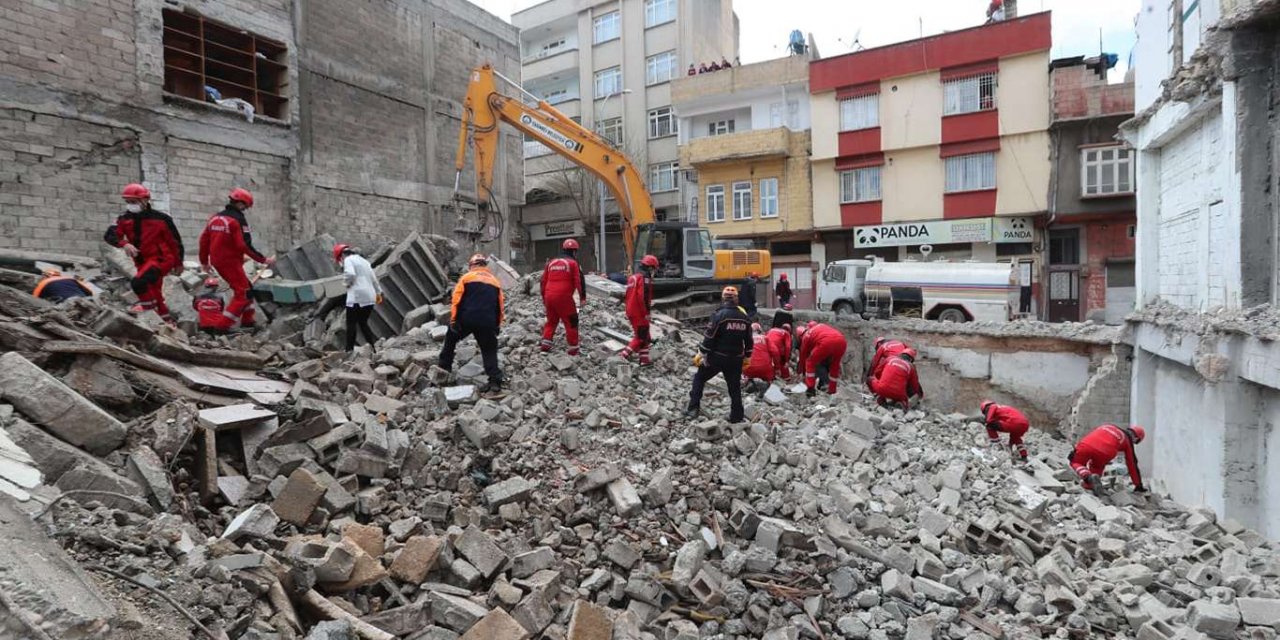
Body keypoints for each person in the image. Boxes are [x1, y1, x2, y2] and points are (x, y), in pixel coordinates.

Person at [103, 183, 184, 319]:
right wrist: (124, 243)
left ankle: (148, 309)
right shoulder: (124, 219)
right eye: (128, 202)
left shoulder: (162, 219)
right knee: (154, 291)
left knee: (139, 282)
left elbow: (175, 242)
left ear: (145, 200)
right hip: (141, 261)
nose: (130, 205)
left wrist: (178, 263)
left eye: (133, 202)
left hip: (161, 259)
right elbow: (109, 236)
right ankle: (165, 320)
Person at [198, 188, 274, 330]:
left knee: (247, 288)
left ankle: (248, 321)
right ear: (241, 204)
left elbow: (203, 241)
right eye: (245, 207)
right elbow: (243, 245)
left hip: (218, 261)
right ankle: (222, 327)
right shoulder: (237, 220)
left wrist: (204, 262)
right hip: (230, 262)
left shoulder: (215, 218)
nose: (245, 210)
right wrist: (263, 260)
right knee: (243, 293)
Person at [438, 254, 505, 393]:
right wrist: (497, 325)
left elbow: (456, 300)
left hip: (467, 319)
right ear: (485, 265)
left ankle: (444, 369)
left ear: (472, 265)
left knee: (450, 339)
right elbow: (500, 306)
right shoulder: (495, 281)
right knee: (489, 350)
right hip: (487, 321)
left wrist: (454, 320)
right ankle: (495, 381)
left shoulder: (466, 278)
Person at [685, 286, 752, 423]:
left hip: (717, 357)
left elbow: (709, 337)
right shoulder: (745, 318)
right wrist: (747, 356)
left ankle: (693, 409)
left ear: (723, 298)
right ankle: (737, 416)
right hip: (735, 359)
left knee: (699, 378)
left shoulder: (718, 315)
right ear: (736, 299)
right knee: (734, 388)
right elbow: (749, 341)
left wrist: (702, 353)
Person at [1070, 424, 1148, 496]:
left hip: (1086, 444)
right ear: (1136, 438)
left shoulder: (1107, 425)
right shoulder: (1127, 440)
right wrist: (1138, 486)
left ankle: (1088, 480)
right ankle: (1090, 481)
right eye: (1136, 442)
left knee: (1076, 462)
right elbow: (1132, 463)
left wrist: (1076, 450)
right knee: (1097, 466)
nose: (1134, 443)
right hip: (1106, 452)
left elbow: (1092, 435)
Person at [539, 238, 586, 355]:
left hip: (549, 296)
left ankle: (546, 343)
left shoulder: (551, 263)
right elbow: (579, 282)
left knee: (551, 321)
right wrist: (582, 297)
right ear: (575, 251)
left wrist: (544, 297)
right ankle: (573, 347)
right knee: (571, 321)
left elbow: (543, 281)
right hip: (565, 297)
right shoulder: (573, 263)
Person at [334, 243, 383, 352]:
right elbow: (373, 278)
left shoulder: (348, 260)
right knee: (363, 322)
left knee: (351, 323)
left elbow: (350, 274)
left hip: (357, 296)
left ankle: (349, 350)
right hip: (370, 296)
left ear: (341, 256)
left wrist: (346, 283)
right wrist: (379, 292)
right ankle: (373, 348)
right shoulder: (364, 261)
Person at [620, 254, 659, 365]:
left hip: (631, 310)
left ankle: (644, 360)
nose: (654, 272)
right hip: (639, 312)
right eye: (654, 269)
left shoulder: (633, 277)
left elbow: (627, 295)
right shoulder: (644, 278)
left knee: (645, 335)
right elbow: (643, 297)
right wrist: (646, 312)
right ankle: (623, 355)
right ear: (650, 267)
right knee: (641, 336)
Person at [797, 322, 848, 397]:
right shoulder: (820, 327)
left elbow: (803, 356)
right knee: (835, 365)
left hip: (826, 342)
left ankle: (810, 389)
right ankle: (832, 390)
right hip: (842, 341)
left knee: (810, 362)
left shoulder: (806, 335)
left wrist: (800, 371)